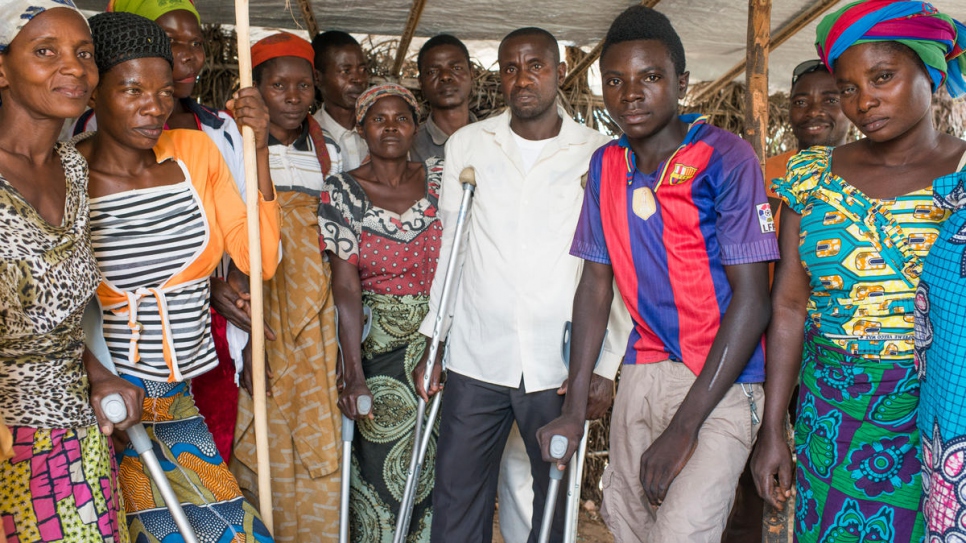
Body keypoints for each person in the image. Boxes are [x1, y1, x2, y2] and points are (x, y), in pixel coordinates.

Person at [537, 7, 779, 542]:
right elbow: (595, 286)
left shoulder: (725, 157)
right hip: (643, 374)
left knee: (681, 534)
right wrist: (574, 411)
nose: (631, 94)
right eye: (616, 81)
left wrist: (684, 428)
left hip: (721, 380)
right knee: (629, 528)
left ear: (681, 83)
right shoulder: (606, 165)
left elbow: (753, 301)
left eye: (650, 77)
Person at [751, 2, 966, 541]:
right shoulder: (808, 176)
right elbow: (789, 306)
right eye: (847, 88)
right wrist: (774, 428)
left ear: (930, 73)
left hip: (938, 415)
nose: (863, 101)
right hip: (831, 411)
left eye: (883, 77)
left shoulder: (962, 178)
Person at [414, 27, 627, 543]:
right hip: (476, 354)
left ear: (558, 73)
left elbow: (617, 266)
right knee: (457, 495)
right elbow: (453, 251)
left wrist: (605, 363)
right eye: (510, 68)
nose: (522, 78)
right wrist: (435, 343)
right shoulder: (469, 144)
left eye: (535, 65)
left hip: (558, 361)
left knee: (550, 500)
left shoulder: (599, 154)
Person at [75, 12, 281, 541]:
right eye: (132, 89)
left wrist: (257, 150)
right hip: (110, 404)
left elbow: (260, 260)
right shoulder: (67, 174)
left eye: (164, 91)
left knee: (228, 530)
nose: (154, 106)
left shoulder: (194, 154)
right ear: (95, 91)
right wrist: (101, 383)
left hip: (177, 394)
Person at [0, 3, 144, 541]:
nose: (74, 68)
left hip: (74, 428)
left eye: (84, 54)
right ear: (2, 69)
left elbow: (53, 318)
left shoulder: (72, 170)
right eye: (45, 52)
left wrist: (97, 373)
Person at [724, 57, 850, 543]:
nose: (813, 111)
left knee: (831, 470)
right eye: (801, 101)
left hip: (830, 353)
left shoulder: (866, 179)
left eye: (829, 100)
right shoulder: (764, 175)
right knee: (749, 473)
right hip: (762, 346)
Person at [229, 31, 343, 542]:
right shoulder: (231, 146)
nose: (293, 96)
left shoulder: (333, 152)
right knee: (266, 408)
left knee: (317, 418)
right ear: (255, 89)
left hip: (317, 310)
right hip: (260, 302)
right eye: (278, 86)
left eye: (302, 85)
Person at [319, 83, 443, 543]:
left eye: (401, 118)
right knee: (379, 472)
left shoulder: (441, 178)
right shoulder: (342, 190)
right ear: (361, 126)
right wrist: (354, 372)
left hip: (441, 339)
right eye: (378, 118)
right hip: (378, 348)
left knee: (441, 468)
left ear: (415, 125)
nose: (390, 127)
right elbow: (345, 285)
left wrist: (444, 338)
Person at [410, 34, 475, 164]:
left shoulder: (496, 138)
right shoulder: (409, 147)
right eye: (432, 72)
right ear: (421, 82)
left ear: (472, 74)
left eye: (456, 68)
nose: (445, 76)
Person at [312, 30, 369, 172]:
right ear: (317, 77)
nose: (359, 79)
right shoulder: (308, 136)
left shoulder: (379, 131)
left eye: (363, 69)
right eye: (346, 71)